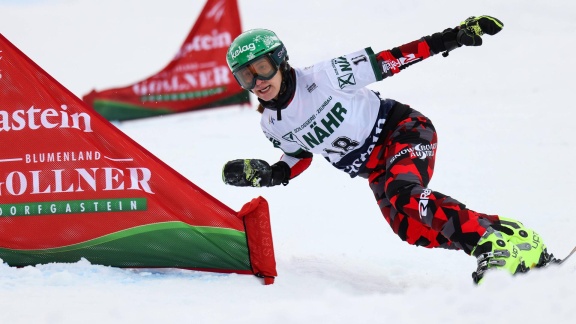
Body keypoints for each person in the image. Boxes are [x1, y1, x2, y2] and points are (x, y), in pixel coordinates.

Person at [221, 16, 553, 283]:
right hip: (374, 167)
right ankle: (509, 235)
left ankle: (488, 245)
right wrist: (274, 172)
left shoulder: (325, 76)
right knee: (410, 229)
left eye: (262, 68)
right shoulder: (271, 123)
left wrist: (451, 37)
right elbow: (299, 155)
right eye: (245, 77)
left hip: (403, 130)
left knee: (405, 195)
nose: (258, 82)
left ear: (280, 60)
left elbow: (390, 60)